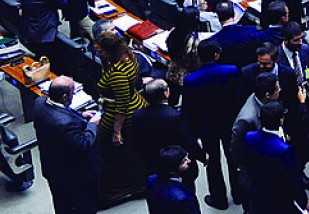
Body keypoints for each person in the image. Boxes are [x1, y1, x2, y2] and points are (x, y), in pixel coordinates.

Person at [182, 38, 242, 209]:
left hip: (206, 127)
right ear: (216, 55)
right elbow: (238, 97)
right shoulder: (232, 71)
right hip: (230, 122)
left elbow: (188, 110)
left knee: (212, 162)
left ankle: (219, 198)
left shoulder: (191, 80)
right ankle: (239, 194)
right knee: (233, 158)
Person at [93, 30, 148, 207]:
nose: (97, 54)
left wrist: (117, 132)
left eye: (100, 51)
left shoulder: (118, 74)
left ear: (110, 51)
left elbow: (121, 106)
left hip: (122, 117)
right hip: (135, 104)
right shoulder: (128, 55)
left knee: (115, 153)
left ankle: (121, 188)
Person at [33, 76, 101, 214]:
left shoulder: (39, 103)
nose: (73, 95)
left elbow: (62, 111)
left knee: (62, 205)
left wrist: (80, 115)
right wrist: (92, 125)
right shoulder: (65, 124)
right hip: (75, 176)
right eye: (72, 93)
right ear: (64, 96)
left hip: (53, 169)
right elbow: (83, 143)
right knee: (85, 207)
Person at [132, 80, 204, 186]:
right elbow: (189, 141)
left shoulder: (138, 115)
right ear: (166, 93)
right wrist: (202, 156)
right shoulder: (176, 116)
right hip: (178, 165)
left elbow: (136, 143)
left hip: (153, 165)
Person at [244, 101, 309, 214]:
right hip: (279, 198)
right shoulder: (285, 150)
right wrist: (303, 201)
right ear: (281, 120)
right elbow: (293, 179)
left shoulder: (249, 137)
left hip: (257, 192)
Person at [145, 145, 202, 214]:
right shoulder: (185, 199)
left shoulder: (151, 179)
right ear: (173, 171)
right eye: (184, 161)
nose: (189, 161)